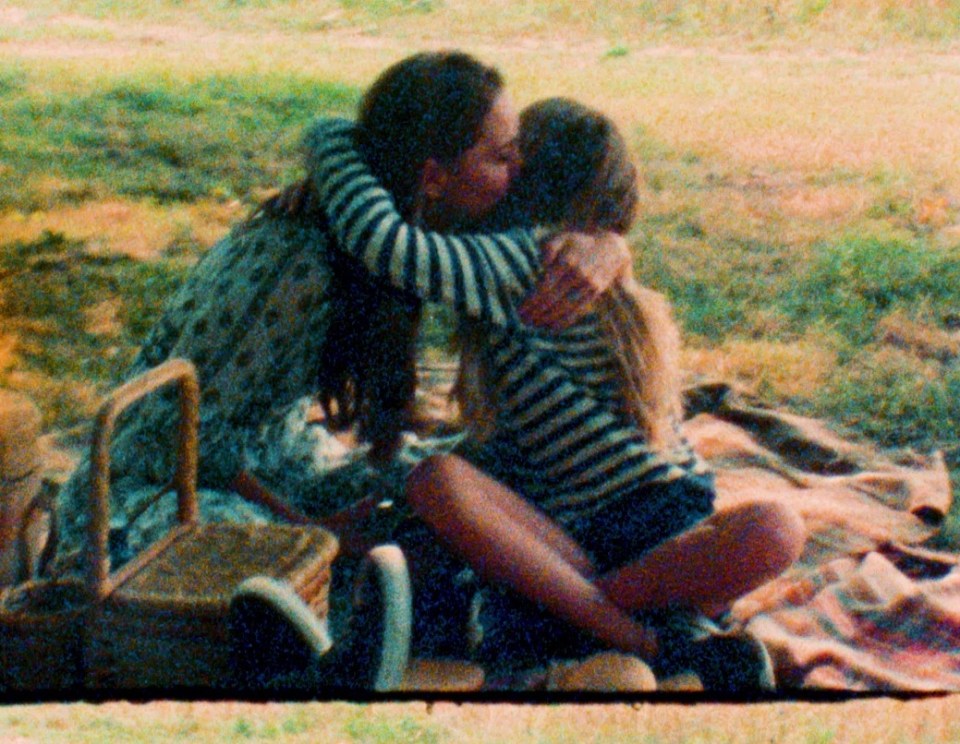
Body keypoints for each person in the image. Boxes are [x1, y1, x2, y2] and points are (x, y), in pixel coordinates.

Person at [301, 97, 806, 686]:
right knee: (435, 482)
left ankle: (568, 618)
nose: (501, 166)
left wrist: (331, 133)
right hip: (570, 532)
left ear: (528, 179)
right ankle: (657, 639)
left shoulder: (526, 259)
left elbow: (386, 247)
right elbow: (511, 439)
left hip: (652, 524)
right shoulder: (555, 257)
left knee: (775, 527)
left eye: (511, 156)